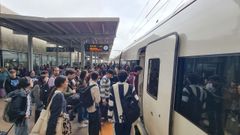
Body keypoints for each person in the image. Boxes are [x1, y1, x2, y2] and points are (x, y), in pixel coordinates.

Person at [108, 70, 139, 135]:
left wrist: (109, 117)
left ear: (118, 77)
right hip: (128, 117)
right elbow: (136, 99)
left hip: (117, 118)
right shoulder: (131, 87)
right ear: (126, 77)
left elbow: (111, 104)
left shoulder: (112, 88)